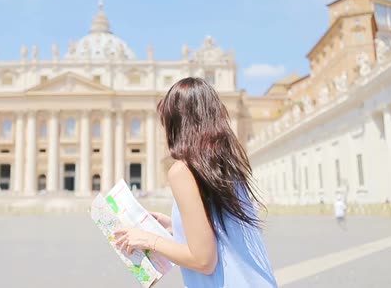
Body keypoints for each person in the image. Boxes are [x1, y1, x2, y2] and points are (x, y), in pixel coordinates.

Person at [114, 78, 277, 287]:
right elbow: (222, 232)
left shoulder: (183, 171)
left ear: (177, 124)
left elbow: (203, 260)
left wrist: (147, 240)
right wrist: (175, 226)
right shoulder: (227, 165)